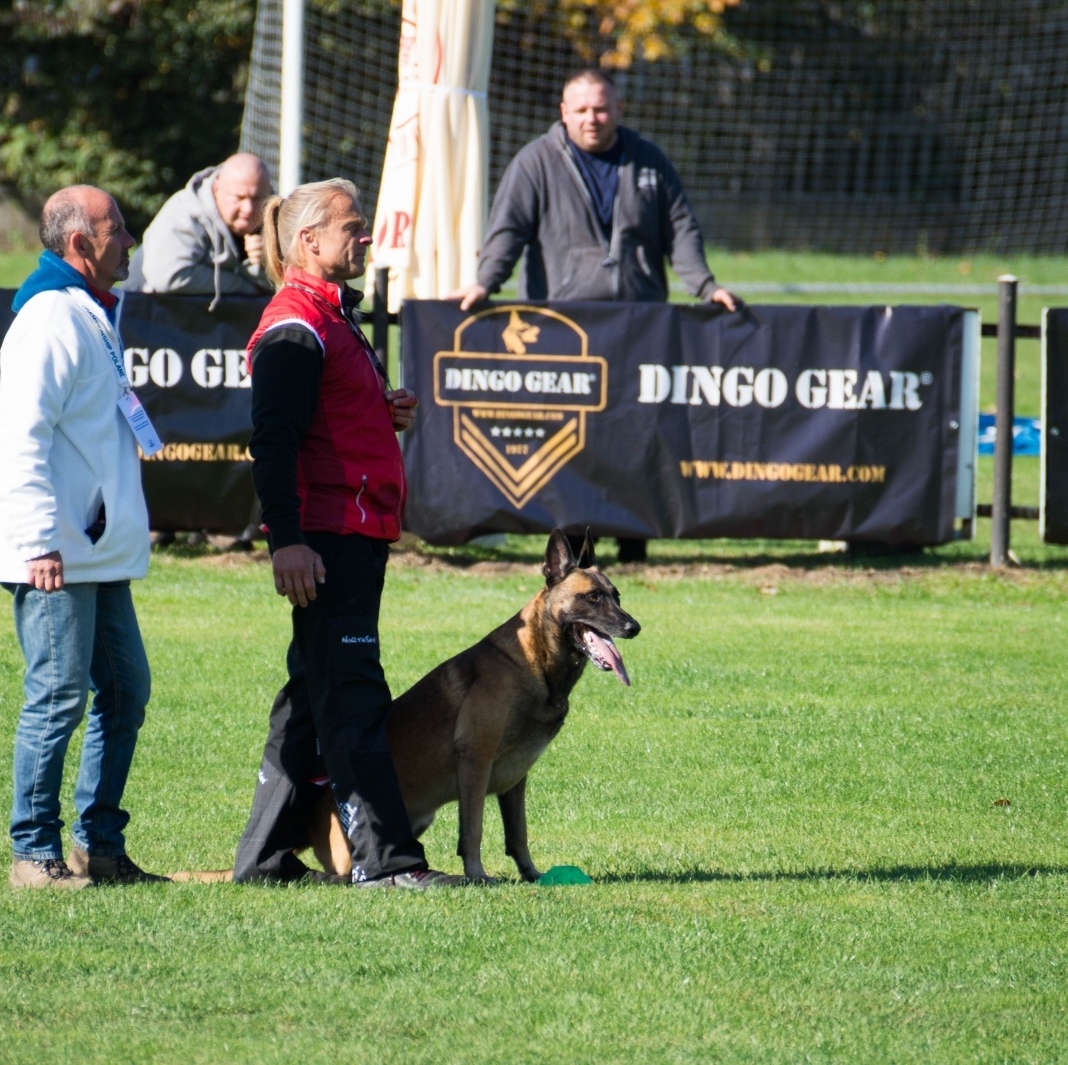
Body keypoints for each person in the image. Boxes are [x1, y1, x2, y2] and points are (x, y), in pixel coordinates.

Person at [232, 177, 466, 889]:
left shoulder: (328, 317)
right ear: (309, 242)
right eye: (352, 227)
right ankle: (388, 862)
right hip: (328, 540)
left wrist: (375, 407)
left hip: (348, 534)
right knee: (355, 694)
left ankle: (265, 861)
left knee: (312, 696)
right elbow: (273, 443)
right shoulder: (295, 325)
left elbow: (320, 418)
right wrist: (288, 540)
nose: (363, 237)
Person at [450, 69, 741, 563]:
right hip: (567, 336)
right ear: (563, 112)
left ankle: (635, 545)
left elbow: (682, 231)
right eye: (581, 109)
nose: (591, 118)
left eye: (601, 109)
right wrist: (485, 281)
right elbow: (508, 232)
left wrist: (705, 286)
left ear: (619, 109)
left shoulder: (648, 161)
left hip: (641, 329)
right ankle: (577, 553)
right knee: (573, 445)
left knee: (640, 436)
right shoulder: (535, 162)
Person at [0, 185, 169, 890]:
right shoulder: (49, 319)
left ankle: (100, 846)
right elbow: (19, 437)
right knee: (58, 694)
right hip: (53, 555)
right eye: (116, 229)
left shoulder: (87, 312)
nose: (129, 240)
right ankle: (34, 852)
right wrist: (37, 541)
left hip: (92, 553)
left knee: (124, 690)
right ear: (79, 245)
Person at [125, 152, 273, 308]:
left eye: (257, 198)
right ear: (217, 188)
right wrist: (243, 287)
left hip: (217, 326)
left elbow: (284, 286)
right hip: (146, 317)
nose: (248, 209)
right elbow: (169, 278)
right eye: (239, 198)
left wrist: (268, 260)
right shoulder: (183, 214)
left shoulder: (276, 218)